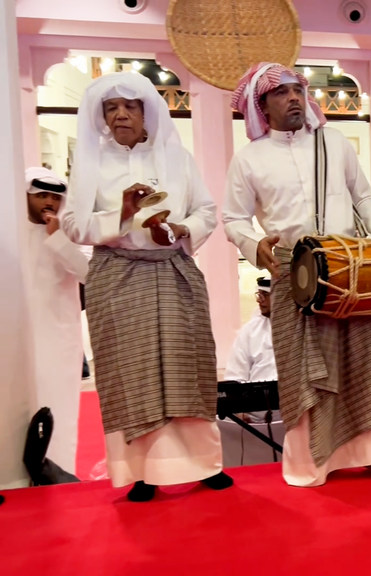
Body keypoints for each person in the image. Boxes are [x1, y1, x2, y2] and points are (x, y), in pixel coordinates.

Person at [223, 62, 371, 486]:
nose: (293, 98)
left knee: (362, 365)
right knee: (305, 371)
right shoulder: (249, 159)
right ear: (261, 106)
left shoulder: (334, 142)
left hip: (347, 269)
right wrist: (255, 245)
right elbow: (233, 218)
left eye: (297, 90)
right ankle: (311, 462)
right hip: (293, 274)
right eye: (281, 93)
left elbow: (362, 195)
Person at [59, 72, 231, 502]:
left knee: (185, 363)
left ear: (147, 112)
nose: (120, 114)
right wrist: (121, 212)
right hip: (117, 276)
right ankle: (141, 473)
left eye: (130, 106)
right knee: (129, 371)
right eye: (111, 107)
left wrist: (178, 229)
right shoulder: (90, 162)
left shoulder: (177, 156)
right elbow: (72, 225)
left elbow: (207, 212)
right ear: (101, 116)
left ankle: (203, 465)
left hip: (172, 270)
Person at [24, 167, 89, 474]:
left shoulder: (71, 233)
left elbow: (90, 274)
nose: (48, 202)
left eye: (54, 196)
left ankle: (60, 473)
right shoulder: (10, 233)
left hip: (59, 342)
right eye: (41, 196)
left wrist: (59, 240)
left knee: (59, 411)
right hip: (17, 340)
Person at [224, 276, 276, 384]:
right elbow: (235, 376)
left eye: (265, 295)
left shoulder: (303, 328)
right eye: (259, 294)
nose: (259, 300)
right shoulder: (250, 331)